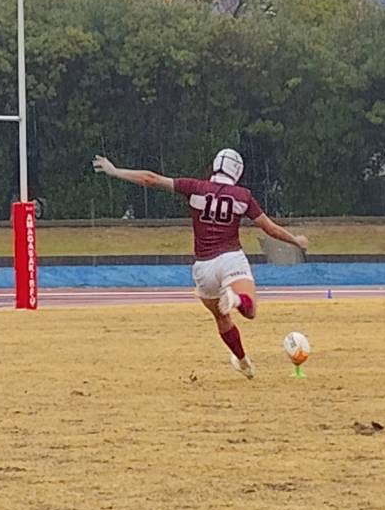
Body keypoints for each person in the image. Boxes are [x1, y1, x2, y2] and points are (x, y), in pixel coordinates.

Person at [92, 149, 308, 378]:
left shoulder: (194, 187)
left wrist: (115, 171)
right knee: (250, 309)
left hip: (203, 266)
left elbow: (150, 179)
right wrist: (295, 240)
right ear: (237, 171)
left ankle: (244, 362)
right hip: (230, 258)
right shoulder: (242, 195)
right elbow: (269, 227)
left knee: (221, 318)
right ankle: (236, 299)